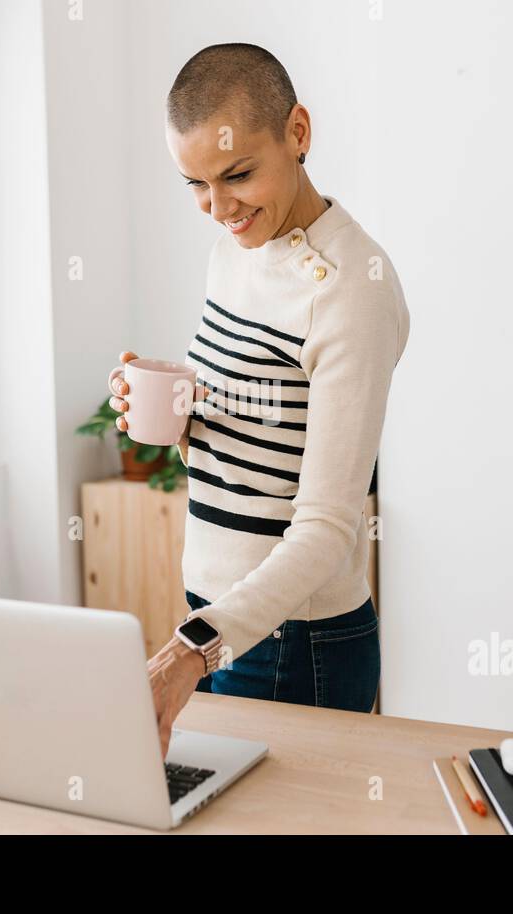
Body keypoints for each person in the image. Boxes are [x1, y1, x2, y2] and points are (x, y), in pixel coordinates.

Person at [106, 43, 410, 758]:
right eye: (195, 185)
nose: (218, 209)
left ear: (298, 133)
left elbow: (328, 527)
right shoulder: (235, 249)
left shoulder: (352, 288)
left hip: (295, 643)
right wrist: (181, 418)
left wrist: (190, 652)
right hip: (216, 621)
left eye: (238, 174)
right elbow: (258, 434)